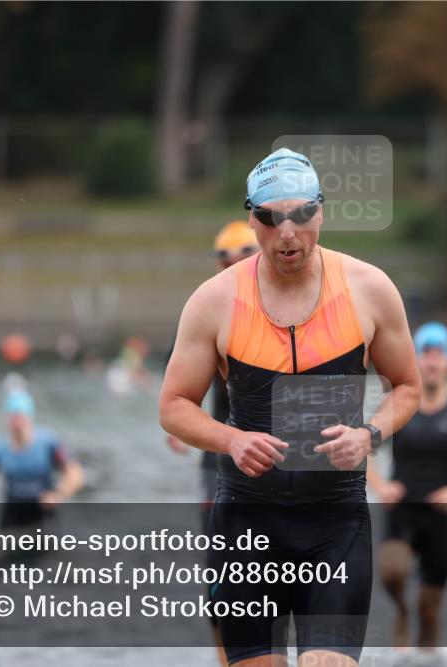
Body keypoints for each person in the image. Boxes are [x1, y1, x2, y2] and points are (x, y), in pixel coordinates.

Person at [159, 148, 422, 667]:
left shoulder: (369, 290)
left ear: (321, 212)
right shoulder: (214, 301)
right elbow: (172, 405)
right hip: (246, 524)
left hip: (335, 524)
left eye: (302, 214)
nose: (288, 232)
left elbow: (408, 387)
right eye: (270, 217)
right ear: (251, 218)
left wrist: (369, 434)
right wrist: (230, 439)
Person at [367, 322, 447, 654]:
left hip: (443, 516)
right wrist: (381, 486)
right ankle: (400, 611)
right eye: (426, 353)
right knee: (392, 571)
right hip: (402, 509)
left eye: (440, 354)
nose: (433, 361)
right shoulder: (399, 407)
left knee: (430, 609)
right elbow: (362, 448)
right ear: (416, 359)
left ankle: (428, 654)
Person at [165, 220, 258, 667]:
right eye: (224, 257)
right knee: (222, 560)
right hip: (219, 456)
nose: (232, 264)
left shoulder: (279, 305)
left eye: (242, 254)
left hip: (274, 454)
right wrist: (177, 425)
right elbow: (180, 388)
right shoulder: (205, 307)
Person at [0, 386, 84, 529]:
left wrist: (58, 494)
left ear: (29, 417)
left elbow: (75, 473)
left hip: (43, 513)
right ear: (7, 419)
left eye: (21, 417)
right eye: (13, 418)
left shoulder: (47, 443)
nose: (17, 423)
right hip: (13, 512)